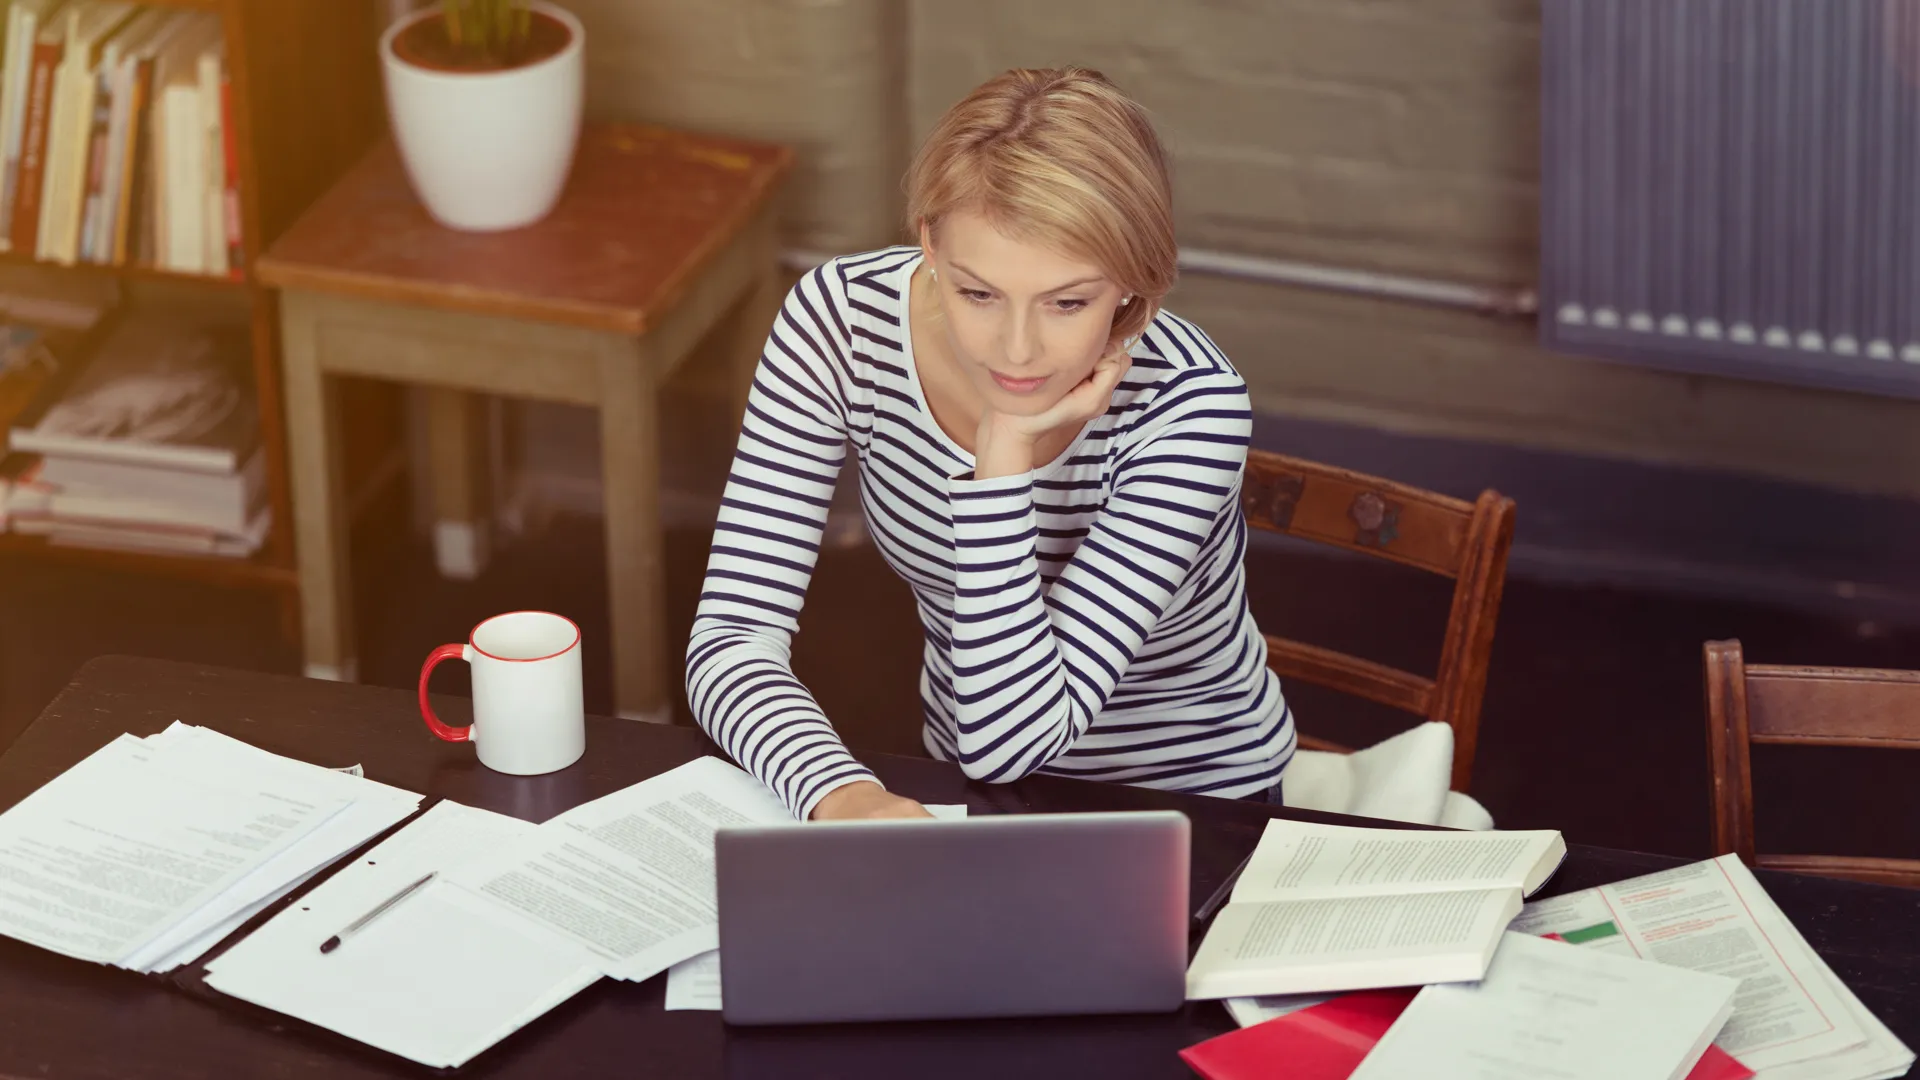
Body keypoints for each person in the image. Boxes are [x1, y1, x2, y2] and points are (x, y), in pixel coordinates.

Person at [687, 66, 1295, 821]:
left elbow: (1010, 740)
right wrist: (839, 794)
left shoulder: (1191, 406)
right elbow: (732, 637)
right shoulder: (841, 323)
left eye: (1067, 302)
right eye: (977, 292)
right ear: (931, 248)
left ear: (1133, 288)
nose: (1016, 350)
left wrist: (1000, 463)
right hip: (967, 778)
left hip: (1191, 803)